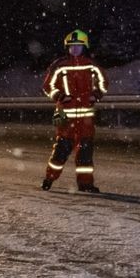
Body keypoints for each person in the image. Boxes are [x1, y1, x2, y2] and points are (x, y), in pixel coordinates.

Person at [41, 29, 107, 193]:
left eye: (78, 46)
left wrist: (96, 95)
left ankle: (86, 184)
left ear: (84, 47)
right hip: (64, 116)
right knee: (60, 152)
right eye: (72, 46)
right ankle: (49, 178)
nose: (75, 49)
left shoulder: (91, 65)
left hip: (86, 119)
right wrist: (60, 96)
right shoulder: (59, 65)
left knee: (85, 155)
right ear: (67, 48)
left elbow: (103, 82)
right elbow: (47, 86)